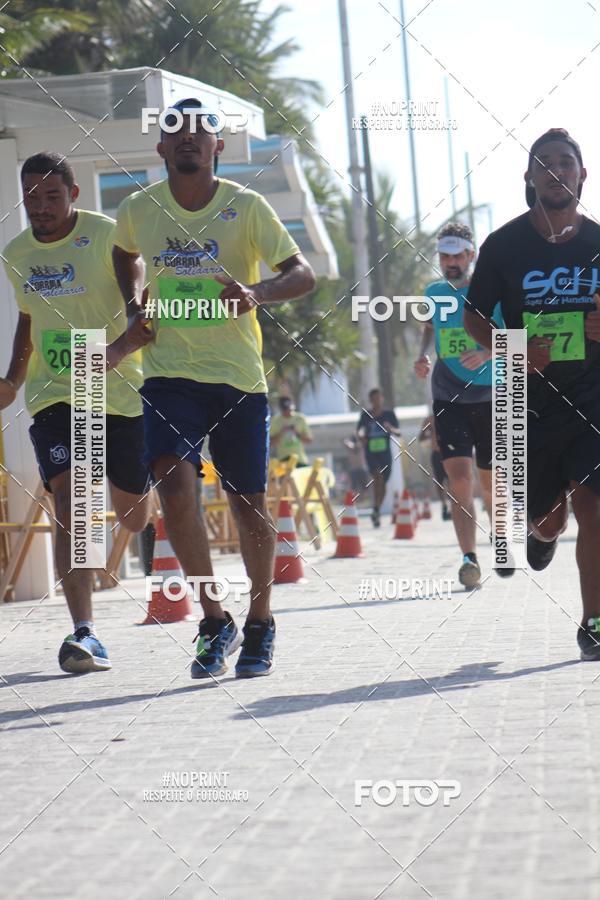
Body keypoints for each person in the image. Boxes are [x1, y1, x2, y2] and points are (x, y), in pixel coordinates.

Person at [112, 98, 315, 679]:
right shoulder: (139, 209)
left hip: (238, 378)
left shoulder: (246, 208)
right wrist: (135, 306)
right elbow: (124, 252)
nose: (187, 141)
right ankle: (212, 619)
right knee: (174, 488)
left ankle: (259, 622)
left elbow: (301, 274)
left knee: (249, 505)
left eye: (200, 133)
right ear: (161, 148)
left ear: (216, 146)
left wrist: (256, 292)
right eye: (175, 133)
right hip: (170, 373)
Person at [0, 152, 151, 673]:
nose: (40, 208)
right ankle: (84, 632)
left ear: (73, 196)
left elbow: (140, 291)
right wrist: (14, 379)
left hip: (117, 382)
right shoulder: (16, 252)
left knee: (134, 514)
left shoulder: (109, 235)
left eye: (51, 197)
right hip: (56, 388)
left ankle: (133, 493)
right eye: (31, 198)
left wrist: (129, 335)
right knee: (73, 496)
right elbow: (26, 318)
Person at [465, 128, 600, 660]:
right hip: (531, 401)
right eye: (544, 163)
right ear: (529, 178)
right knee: (550, 517)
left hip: (594, 397)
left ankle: (593, 621)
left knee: (595, 507)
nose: (555, 170)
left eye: (566, 162)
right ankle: (543, 533)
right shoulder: (504, 246)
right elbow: (474, 316)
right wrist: (511, 347)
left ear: (582, 176)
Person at [414, 222, 504, 589]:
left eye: (458, 255)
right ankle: (469, 558)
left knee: (490, 480)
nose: (451, 262)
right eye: (445, 256)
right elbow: (429, 327)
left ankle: (499, 534)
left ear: (471, 255)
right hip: (447, 396)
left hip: (489, 394)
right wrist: (422, 356)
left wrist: (485, 351)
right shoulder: (434, 291)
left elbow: (514, 334)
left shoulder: (491, 291)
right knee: (460, 481)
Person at [356, 388, 401, 527]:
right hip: (371, 452)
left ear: (382, 399)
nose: (377, 401)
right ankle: (376, 509)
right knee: (378, 478)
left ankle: (376, 509)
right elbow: (359, 430)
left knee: (383, 484)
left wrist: (391, 429)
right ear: (370, 401)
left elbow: (399, 432)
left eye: (379, 398)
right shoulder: (366, 415)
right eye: (374, 398)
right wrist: (361, 437)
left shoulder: (389, 414)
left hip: (385, 453)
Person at [418, 414, 451, 520]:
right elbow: (421, 437)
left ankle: (452, 506)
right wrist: (426, 433)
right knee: (439, 482)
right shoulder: (429, 419)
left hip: (449, 452)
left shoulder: (449, 415)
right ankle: (444, 505)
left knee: (451, 480)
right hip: (436, 453)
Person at [270, 395, 313, 466]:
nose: (288, 412)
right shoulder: (275, 421)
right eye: (285, 409)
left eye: (289, 409)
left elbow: (309, 440)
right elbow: (270, 443)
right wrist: (282, 432)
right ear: (281, 409)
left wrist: (296, 433)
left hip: (300, 461)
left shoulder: (300, 418)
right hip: (283, 461)